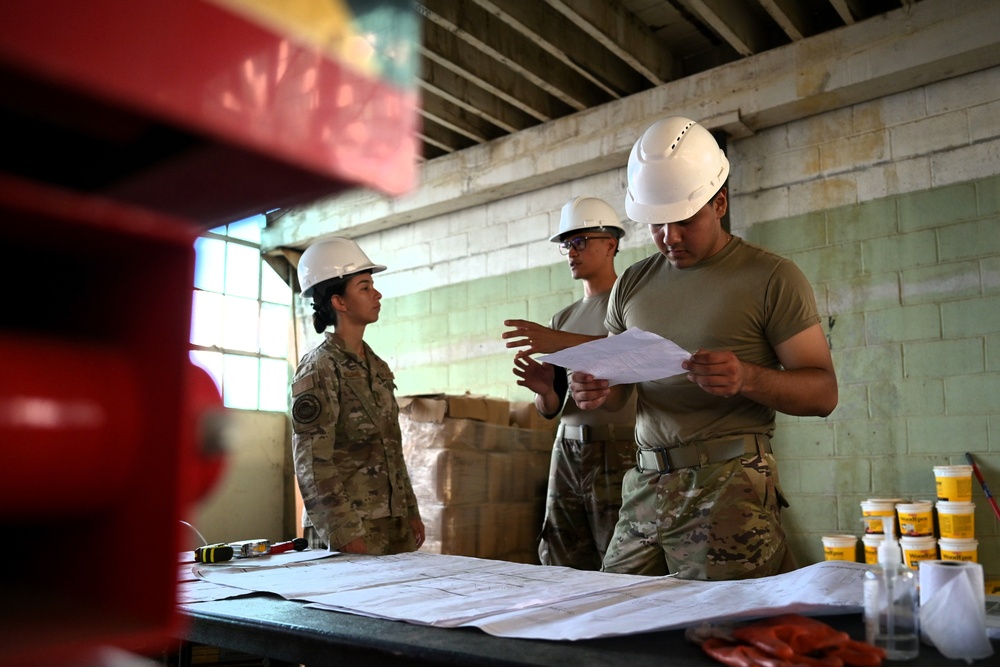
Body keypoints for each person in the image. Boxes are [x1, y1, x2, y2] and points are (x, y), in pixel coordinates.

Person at [569, 116, 838, 581]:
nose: (669, 237)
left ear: (720, 203)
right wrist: (596, 387)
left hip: (729, 484)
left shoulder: (772, 277)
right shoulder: (632, 283)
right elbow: (617, 389)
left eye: (685, 220)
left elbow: (823, 394)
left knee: (724, 634)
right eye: (657, 223)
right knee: (612, 612)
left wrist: (748, 377)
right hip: (645, 484)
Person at [502, 196, 637, 570]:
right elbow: (555, 406)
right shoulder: (563, 318)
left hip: (618, 450)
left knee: (620, 557)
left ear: (610, 244)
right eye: (566, 244)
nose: (570, 252)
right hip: (567, 450)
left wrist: (559, 342)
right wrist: (545, 390)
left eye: (580, 242)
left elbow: (627, 353)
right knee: (561, 555)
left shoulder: (630, 304)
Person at [289, 237, 425, 555]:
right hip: (348, 529)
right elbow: (312, 462)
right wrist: (344, 532)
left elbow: (392, 448)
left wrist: (410, 511)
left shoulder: (377, 366)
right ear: (339, 302)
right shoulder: (320, 367)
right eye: (364, 287)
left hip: (390, 524)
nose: (376, 294)